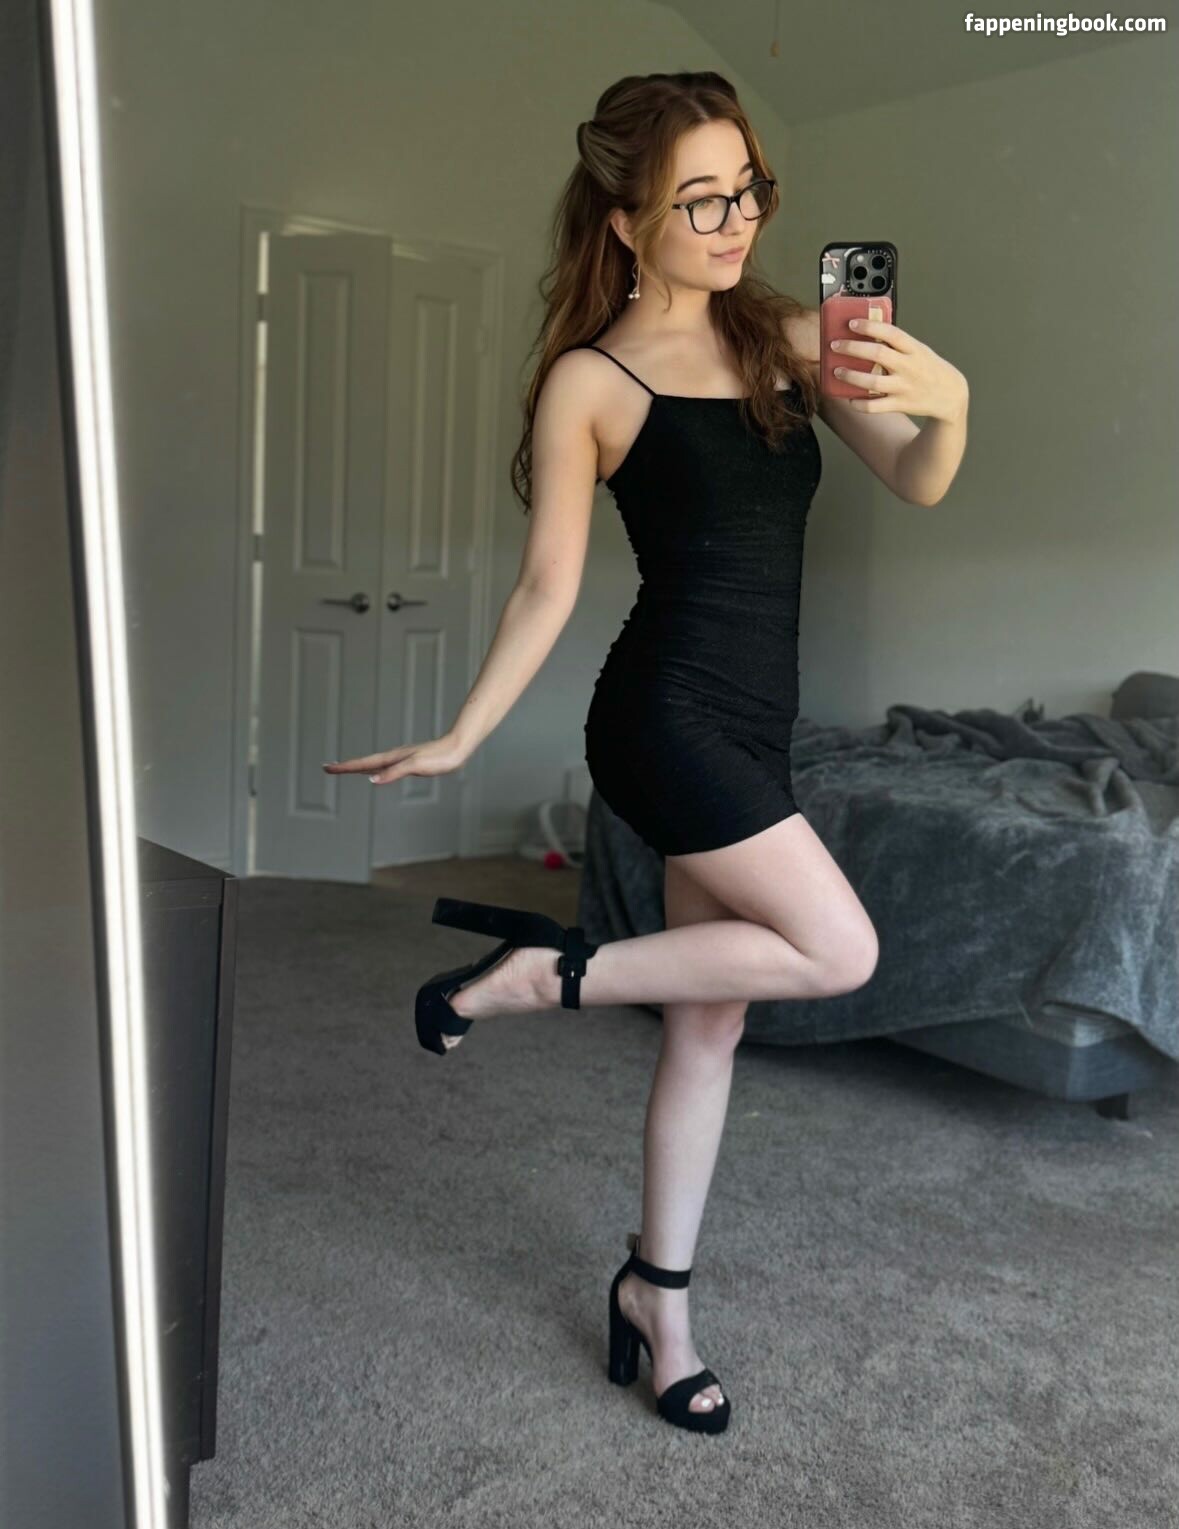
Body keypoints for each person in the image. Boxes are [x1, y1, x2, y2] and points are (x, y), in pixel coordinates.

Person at [325, 72, 969, 1433]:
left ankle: (656, 1301)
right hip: (662, 718)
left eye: (749, 192)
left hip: (756, 719)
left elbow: (916, 475)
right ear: (626, 220)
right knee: (839, 949)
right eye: (700, 202)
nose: (737, 223)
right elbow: (547, 586)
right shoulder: (592, 379)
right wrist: (462, 732)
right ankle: (543, 974)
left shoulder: (788, 336)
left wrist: (950, 402)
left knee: (711, 1019)